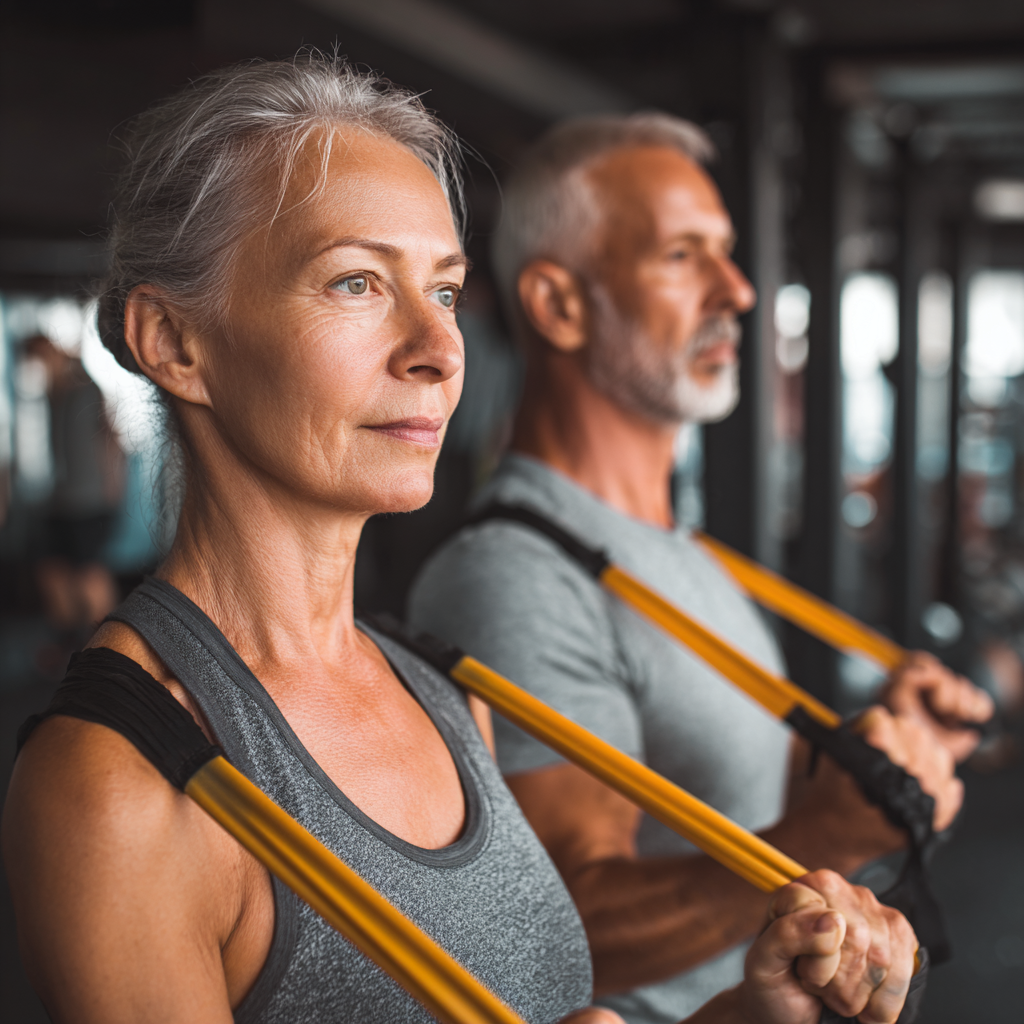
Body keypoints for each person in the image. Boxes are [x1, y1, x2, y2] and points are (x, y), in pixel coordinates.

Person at [1, 58, 918, 1024]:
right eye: (355, 283)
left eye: (443, 291)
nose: (438, 351)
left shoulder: (440, 689)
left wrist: (748, 1016)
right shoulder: (118, 783)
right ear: (175, 343)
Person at [408, 114, 992, 1023]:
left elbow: (749, 800)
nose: (740, 289)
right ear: (560, 305)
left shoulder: (683, 553)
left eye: (725, 251)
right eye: (684, 256)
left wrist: (881, 762)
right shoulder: (515, 574)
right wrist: (820, 835)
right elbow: (556, 935)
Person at [24, 333, 123, 631]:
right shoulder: (52, 395)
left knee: (90, 575)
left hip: (90, 501)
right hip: (58, 501)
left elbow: (110, 438)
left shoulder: (85, 388)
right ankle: (68, 645)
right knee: (52, 571)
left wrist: (113, 489)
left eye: (42, 357)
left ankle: (109, 651)